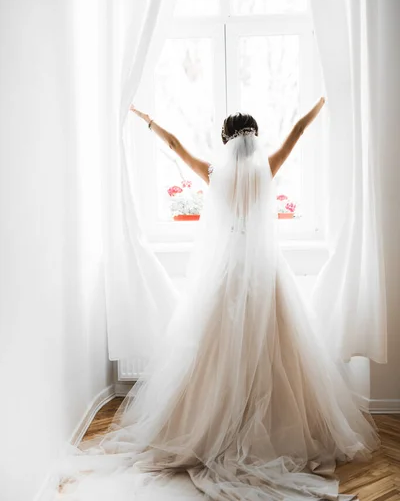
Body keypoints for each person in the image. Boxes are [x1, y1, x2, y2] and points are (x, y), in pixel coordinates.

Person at [56, 98, 379, 501]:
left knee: (216, 353)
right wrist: (323, 102)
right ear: (255, 138)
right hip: (265, 272)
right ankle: (274, 428)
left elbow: (175, 146)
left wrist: (149, 119)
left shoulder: (216, 176)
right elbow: (297, 130)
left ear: (225, 141)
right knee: (275, 351)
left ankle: (214, 424)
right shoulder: (267, 171)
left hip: (228, 273)